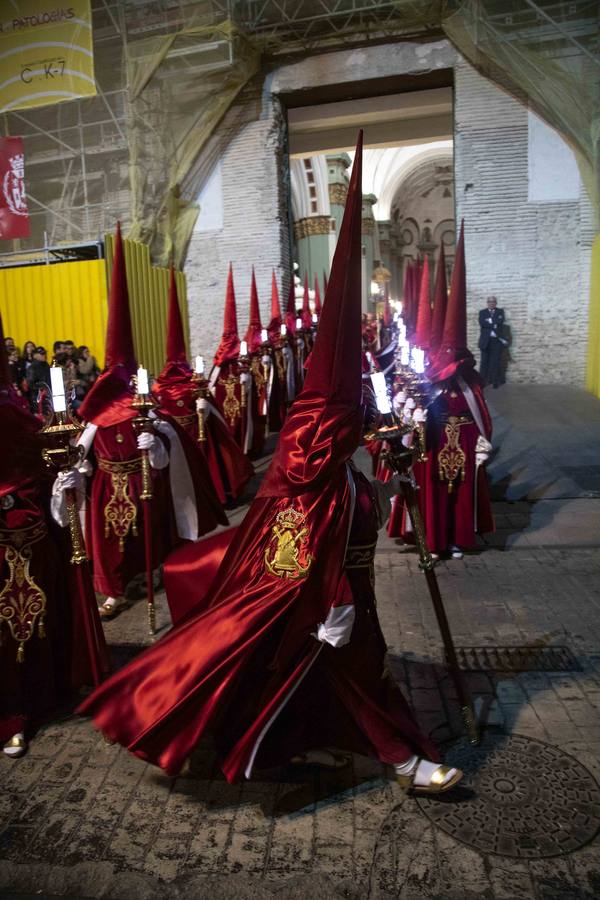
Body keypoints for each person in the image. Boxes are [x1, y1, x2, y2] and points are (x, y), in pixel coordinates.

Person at [78, 132, 462, 796]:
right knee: (349, 665)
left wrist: (391, 465)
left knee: (341, 670)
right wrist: (335, 596)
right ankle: (401, 757)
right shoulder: (311, 438)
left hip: (343, 590)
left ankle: (376, 750)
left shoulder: (336, 432)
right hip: (319, 593)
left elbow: (351, 477)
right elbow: (302, 531)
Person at [69, 223, 226, 619]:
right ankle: (112, 590)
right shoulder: (96, 420)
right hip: (108, 484)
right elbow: (80, 451)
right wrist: (76, 468)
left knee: (144, 532)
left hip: (142, 482)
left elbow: (167, 452)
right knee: (107, 543)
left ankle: (145, 573)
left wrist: (156, 444)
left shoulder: (148, 412)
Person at [0, 315, 103, 758]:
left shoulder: (17, 420)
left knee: (22, 624)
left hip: (20, 539)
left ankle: (20, 707)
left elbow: (49, 476)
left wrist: (64, 476)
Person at [418, 222, 494, 559]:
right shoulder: (431, 383)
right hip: (435, 441)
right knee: (435, 493)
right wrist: (416, 416)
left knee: (461, 494)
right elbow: (416, 415)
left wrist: (481, 442)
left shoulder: (471, 381)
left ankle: (458, 538)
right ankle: (435, 541)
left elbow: (480, 412)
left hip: (463, 441)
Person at [151, 266, 253, 505]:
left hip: (200, 435)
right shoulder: (159, 390)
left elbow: (215, 414)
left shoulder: (193, 386)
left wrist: (205, 408)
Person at [478, 296, 506, 388]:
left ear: (496, 303)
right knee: (484, 362)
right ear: (487, 303)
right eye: (490, 302)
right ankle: (482, 382)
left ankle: (494, 381)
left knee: (495, 362)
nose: (491, 303)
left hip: (496, 341)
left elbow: (500, 322)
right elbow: (482, 323)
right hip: (485, 341)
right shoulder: (482, 312)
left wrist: (490, 322)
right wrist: (494, 323)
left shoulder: (500, 312)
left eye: (493, 302)